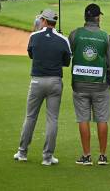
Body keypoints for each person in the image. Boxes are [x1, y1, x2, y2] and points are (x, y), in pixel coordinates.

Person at [14, 9, 71, 166]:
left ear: (44, 21)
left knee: (30, 117)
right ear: (55, 22)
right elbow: (66, 62)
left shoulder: (34, 36)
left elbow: (31, 54)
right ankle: (47, 157)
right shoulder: (63, 39)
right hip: (55, 82)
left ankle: (22, 152)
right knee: (52, 119)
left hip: (37, 81)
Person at [69, 3, 110, 166]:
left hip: (79, 84)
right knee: (102, 119)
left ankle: (86, 156)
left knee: (83, 119)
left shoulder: (75, 34)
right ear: (97, 18)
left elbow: (65, 56)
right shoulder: (106, 36)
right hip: (100, 85)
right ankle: (102, 156)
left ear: (85, 17)